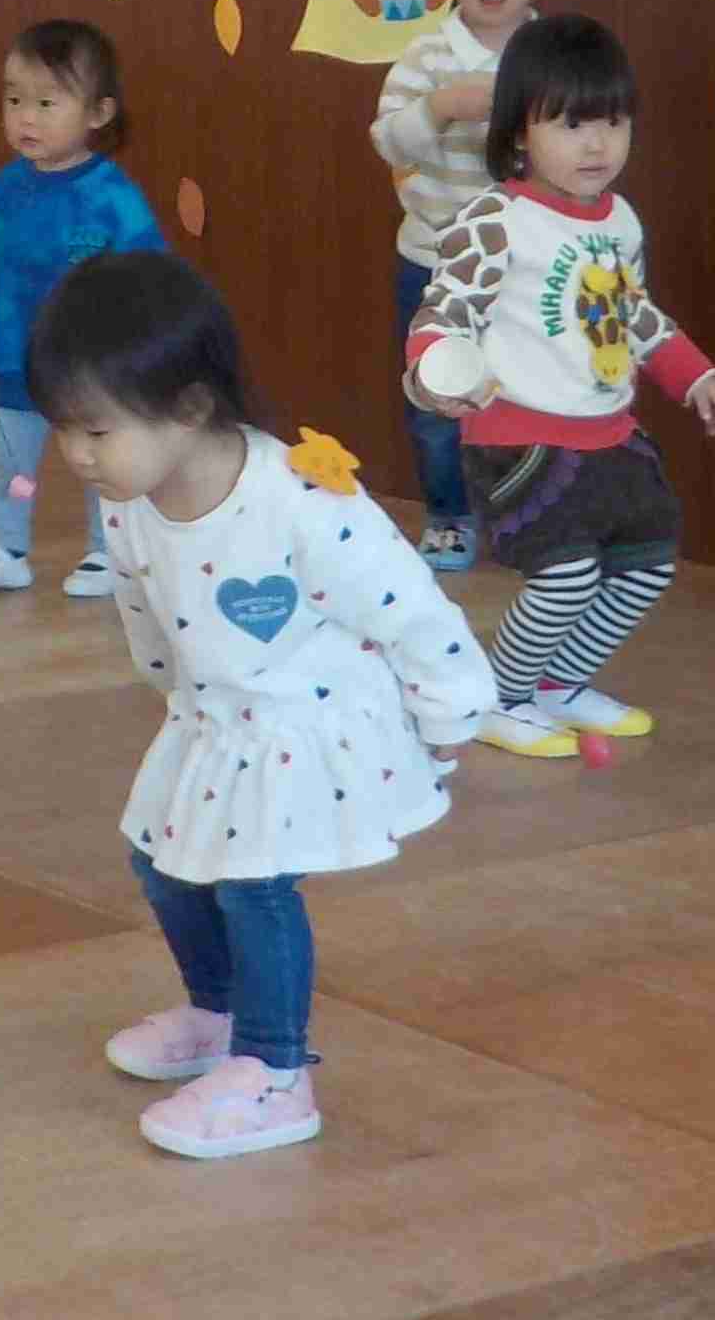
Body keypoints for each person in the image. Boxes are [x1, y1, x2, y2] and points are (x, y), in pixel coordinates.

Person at [41, 252, 494, 1160]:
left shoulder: (300, 499)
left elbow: (406, 602)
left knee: (254, 884)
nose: (76, 454)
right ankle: (217, 1015)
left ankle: (277, 1071)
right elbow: (142, 606)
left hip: (310, 723)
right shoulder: (130, 501)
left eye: (96, 430)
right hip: (218, 717)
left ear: (190, 407)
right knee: (160, 864)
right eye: (63, 429)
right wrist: (170, 689)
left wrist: (451, 715)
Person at [409, 16, 715, 755]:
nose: (597, 145)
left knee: (647, 566)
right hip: (519, 439)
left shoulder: (620, 221)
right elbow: (446, 309)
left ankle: (560, 685)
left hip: (609, 435)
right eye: (573, 124)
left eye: (613, 122)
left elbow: (632, 312)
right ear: (520, 131)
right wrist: (434, 368)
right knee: (567, 577)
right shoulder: (496, 217)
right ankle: (498, 698)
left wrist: (691, 371)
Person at [0, 20, 164, 599]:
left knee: (100, 461)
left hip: (93, 365)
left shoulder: (113, 195)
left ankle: (107, 553)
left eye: (47, 103)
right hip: (16, 358)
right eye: (14, 101)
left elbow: (148, 273)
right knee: (12, 464)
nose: (25, 117)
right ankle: (6, 549)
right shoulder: (6, 187)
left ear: (99, 113)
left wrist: (132, 341)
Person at [370, 0, 562, 570]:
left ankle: (531, 515)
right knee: (437, 397)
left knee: (533, 391)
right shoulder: (428, 56)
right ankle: (450, 516)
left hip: (532, 260)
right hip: (436, 260)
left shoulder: (553, 55)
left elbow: (582, 146)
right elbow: (388, 141)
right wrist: (440, 108)